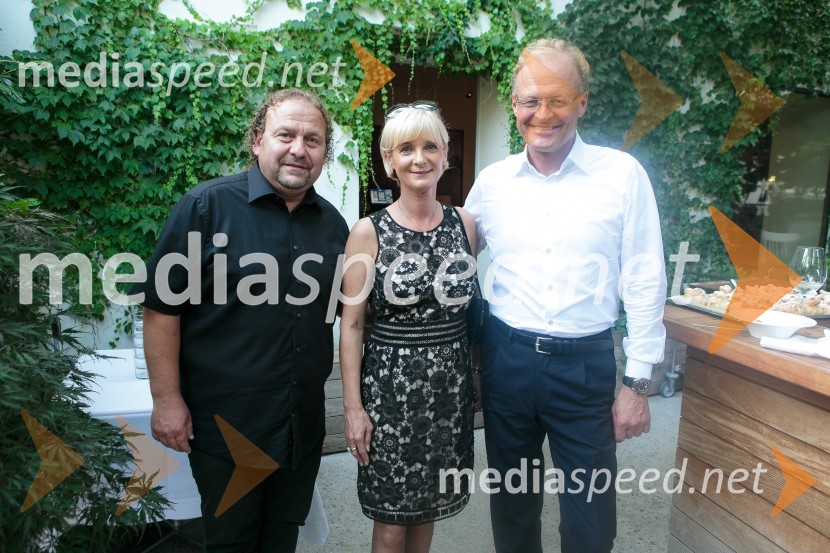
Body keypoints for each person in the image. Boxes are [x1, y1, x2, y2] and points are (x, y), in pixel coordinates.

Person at [464, 38, 667, 553]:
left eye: (558, 99)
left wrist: (637, 383)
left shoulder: (622, 176)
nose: (543, 113)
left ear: (582, 102)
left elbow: (644, 278)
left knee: (592, 524)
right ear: (515, 105)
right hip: (507, 363)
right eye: (530, 100)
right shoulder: (492, 183)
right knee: (512, 508)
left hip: (584, 368)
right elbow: (450, 255)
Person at [133, 88, 349, 553]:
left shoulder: (334, 225)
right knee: (231, 543)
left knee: (282, 539)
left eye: (312, 140)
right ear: (257, 140)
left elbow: (345, 316)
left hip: (301, 425)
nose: (298, 149)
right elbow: (161, 309)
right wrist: (166, 400)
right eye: (285, 135)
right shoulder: (205, 207)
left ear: (324, 152)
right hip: (227, 427)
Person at [339, 101, 479, 553]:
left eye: (430, 147)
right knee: (391, 522)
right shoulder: (368, 231)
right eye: (406, 149)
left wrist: (477, 378)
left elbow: (470, 312)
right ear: (389, 161)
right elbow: (351, 326)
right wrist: (353, 409)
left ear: (445, 155)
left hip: (449, 394)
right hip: (390, 396)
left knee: (428, 509)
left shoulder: (465, 224)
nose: (420, 158)